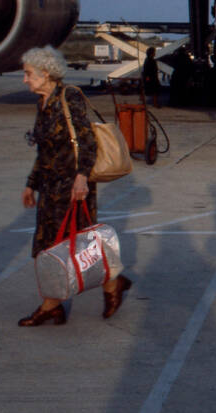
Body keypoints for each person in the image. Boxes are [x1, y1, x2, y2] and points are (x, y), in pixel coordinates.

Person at [17, 46, 131, 325]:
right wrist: (31, 185)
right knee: (47, 247)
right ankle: (51, 304)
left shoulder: (70, 98)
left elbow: (88, 142)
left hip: (73, 188)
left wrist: (81, 179)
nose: (25, 79)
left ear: (45, 74)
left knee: (81, 246)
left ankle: (112, 284)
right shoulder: (42, 103)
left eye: (28, 74)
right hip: (50, 188)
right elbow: (43, 150)